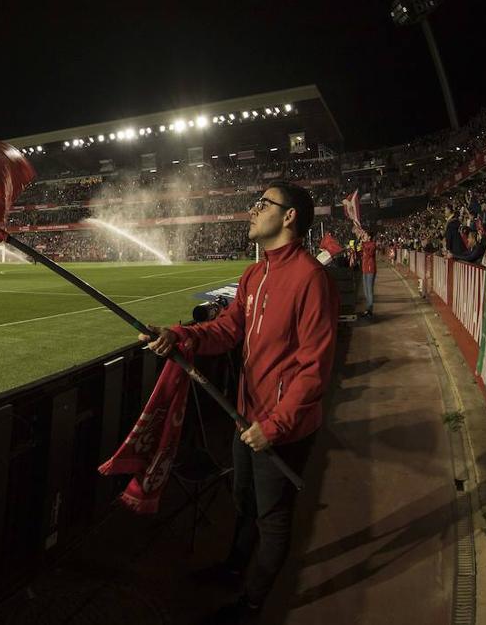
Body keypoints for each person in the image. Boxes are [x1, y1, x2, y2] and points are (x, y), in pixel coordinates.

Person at [141, 181, 339, 622]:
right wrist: (178, 336)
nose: (252, 211)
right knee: (244, 500)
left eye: (263, 204)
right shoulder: (254, 274)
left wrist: (275, 427)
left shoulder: (310, 278)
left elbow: (314, 369)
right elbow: (227, 330)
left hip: (278, 429)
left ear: (289, 217)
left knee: (272, 517)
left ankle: (251, 604)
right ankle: (234, 568)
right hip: (244, 418)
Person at [358, 227, 377, 318]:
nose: (363, 236)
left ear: (369, 237)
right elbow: (362, 255)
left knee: (369, 291)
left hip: (370, 269)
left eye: (365, 235)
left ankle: (370, 310)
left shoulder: (372, 244)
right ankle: (367, 309)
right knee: (365, 291)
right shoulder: (364, 244)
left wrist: (363, 245)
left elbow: (370, 254)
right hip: (364, 269)